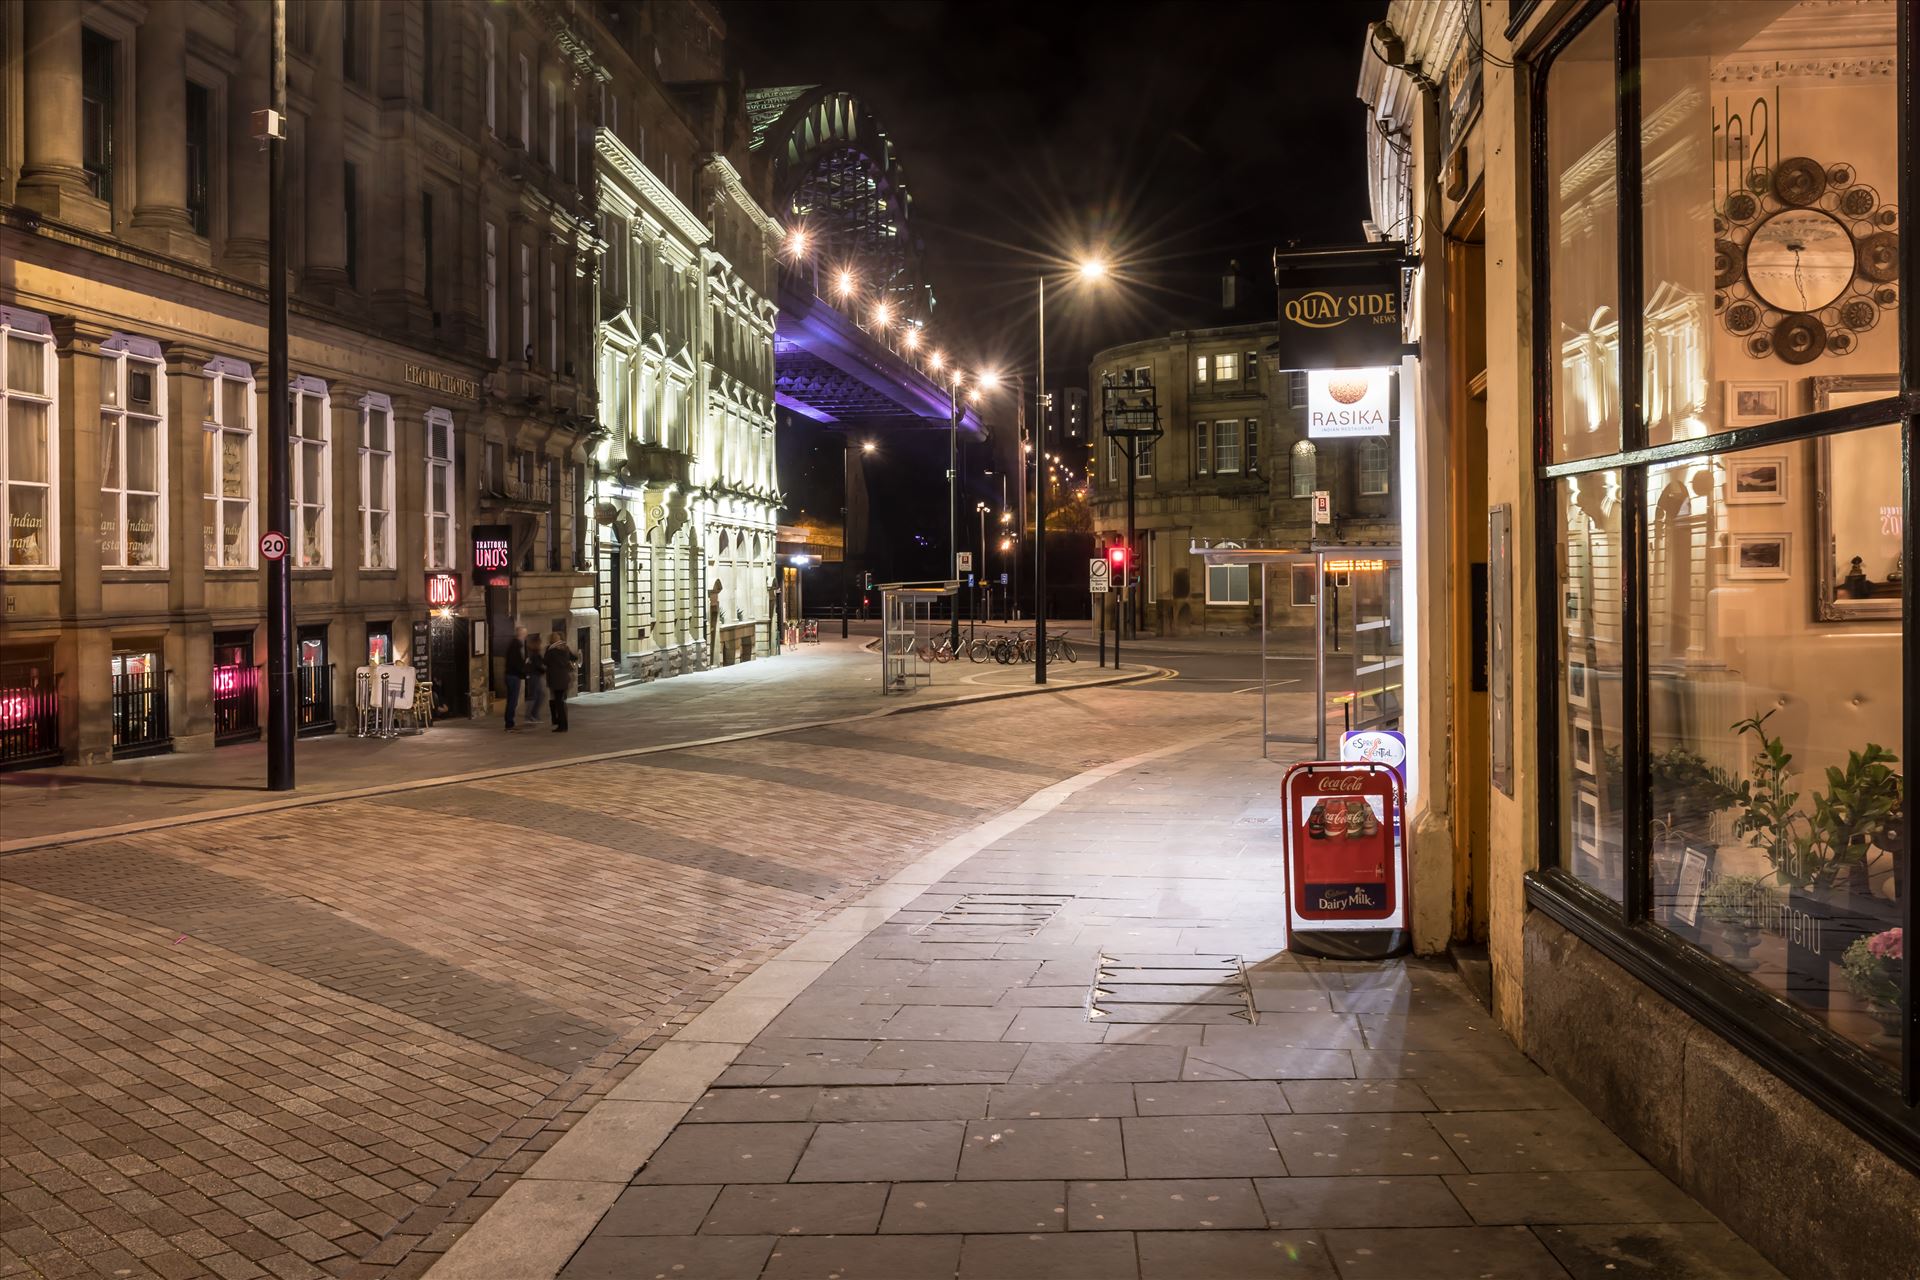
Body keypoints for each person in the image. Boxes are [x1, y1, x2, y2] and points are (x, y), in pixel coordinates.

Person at [543, 632, 574, 732]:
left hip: (555, 680)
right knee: (561, 701)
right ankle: (562, 723)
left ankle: (561, 724)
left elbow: (545, 661)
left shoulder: (551, 651)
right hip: (564, 678)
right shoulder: (565, 649)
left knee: (558, 702)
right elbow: (574, 657)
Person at [503, 625, 528, 731]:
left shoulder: (515, 644)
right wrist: (524, 671)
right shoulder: (516, 645)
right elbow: (515, 662)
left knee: (512, 700)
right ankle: (509, 724)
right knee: (512, 701)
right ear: (520, 634)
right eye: (524, 633)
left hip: (511, 675)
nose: (525, 636)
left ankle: (510, 723)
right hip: (513, 676)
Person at [524, 632, 547, 726]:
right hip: (534, 676)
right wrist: (544, 669)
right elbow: (537, 665)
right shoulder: (533, 654)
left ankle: (533, 715)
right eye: (539, 643)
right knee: (535, 696)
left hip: (535, 676)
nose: (541, 644)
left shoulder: (534, 653)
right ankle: (530, 715)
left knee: (539, 695)